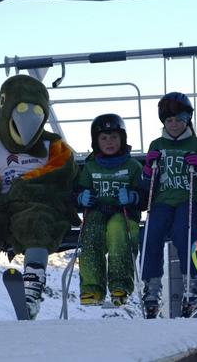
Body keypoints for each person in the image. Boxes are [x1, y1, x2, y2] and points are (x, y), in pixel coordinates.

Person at [0, 75, 80, 321]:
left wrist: (28, 185)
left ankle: (32, 293)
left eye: (35, 111)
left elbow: (62, 169)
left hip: (34, 204)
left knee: (37, 220)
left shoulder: (52, 146)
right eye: (20, 109)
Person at [140, 92, 197, 318]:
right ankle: (152, 289)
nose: (174, 125)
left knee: (184, 231)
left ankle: (193, 285)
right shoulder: (157, 145)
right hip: (163, 200)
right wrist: (147, 168)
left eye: (179, 120)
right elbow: (147, 182)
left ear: (187, 120)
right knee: (150, 233)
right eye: (169, 120)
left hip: (192, 200)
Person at [75, 114, 144, 306]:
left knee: (117, 231)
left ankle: (120, 285)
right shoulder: (91, 167)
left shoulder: (132, 166)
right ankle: (92, 288)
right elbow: (79, 190)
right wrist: (82, 198)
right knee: (90, 234)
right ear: (96, 141)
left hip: (123, 214)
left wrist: (133, 197)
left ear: (122, 138)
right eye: (104, 138)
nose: (109, 142)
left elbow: (145, 195)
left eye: (114, 137)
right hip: (97, 211)